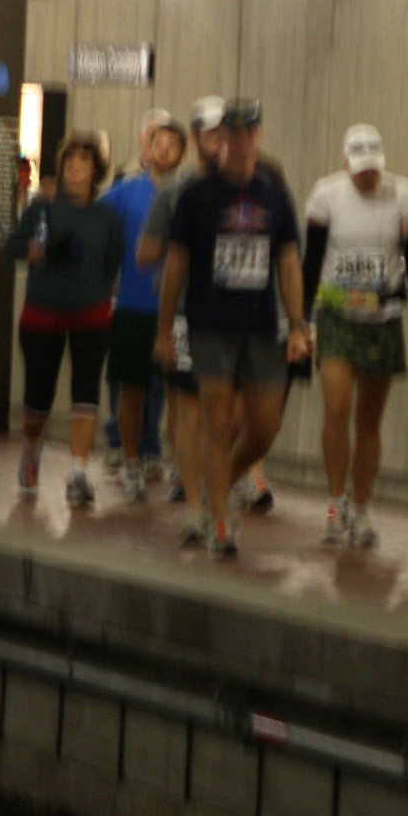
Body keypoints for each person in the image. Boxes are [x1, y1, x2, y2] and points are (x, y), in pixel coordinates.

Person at [155, 98, 309, 560]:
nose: (241, 142)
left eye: (249, 133)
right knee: (218, 423)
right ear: (221, 139)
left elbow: (288, 261)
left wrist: (298, 324)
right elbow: (176, 265)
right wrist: (164, 331)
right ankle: (221, 523)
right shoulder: (197, 197)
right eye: (232, 134)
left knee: (263, 426)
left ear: (259, 137)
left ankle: (217, 480)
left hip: (262, 327)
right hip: (210, 325)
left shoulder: (274, 195)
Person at [303, 124, 408, 548]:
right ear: (345, 163)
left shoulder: (404, 195)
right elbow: (312, 257)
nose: (368, 177)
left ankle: (361, 506)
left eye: (374, 169)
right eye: (360, 170)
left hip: (384, 316)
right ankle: (335, 503)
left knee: (369, 420)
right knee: (337, 406)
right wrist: (302, 318)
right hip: (337, 314)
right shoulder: (326, 195)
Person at [7, 132, 123, 506]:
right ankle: (31, 450)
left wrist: (99, 291)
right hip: (43, 311)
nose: (75, 168)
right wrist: (37, 251)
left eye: (83, 161)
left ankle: (78, 473)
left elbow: (113, 262)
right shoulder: (42, 210)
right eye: (69, 161)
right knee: (38, 395)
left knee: (86, 392)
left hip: (91, 313)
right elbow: (13, 247)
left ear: (95, 171)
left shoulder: (106, 217)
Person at [137, 97, 224, 519]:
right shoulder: (175, 194)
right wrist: (182, 244)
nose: (220, 142)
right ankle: (192, 494)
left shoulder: (256, 191)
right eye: (210, 133)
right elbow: (145, 252)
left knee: (223, 410)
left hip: (235, 317)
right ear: (197, 139)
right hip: (187, 311)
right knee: (186, 406)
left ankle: (208, 480)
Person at [101, 115, 185, 501]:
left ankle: (180, 468)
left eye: (172, 143)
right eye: (157, 141)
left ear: (184, 152)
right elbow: (95, 223)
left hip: (181, 311)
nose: (163, 148)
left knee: (180, 396)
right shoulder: (124, 192)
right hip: (134, 306)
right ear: (146, 148)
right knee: (131, 390)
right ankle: (131, 462)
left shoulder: (191, 195)